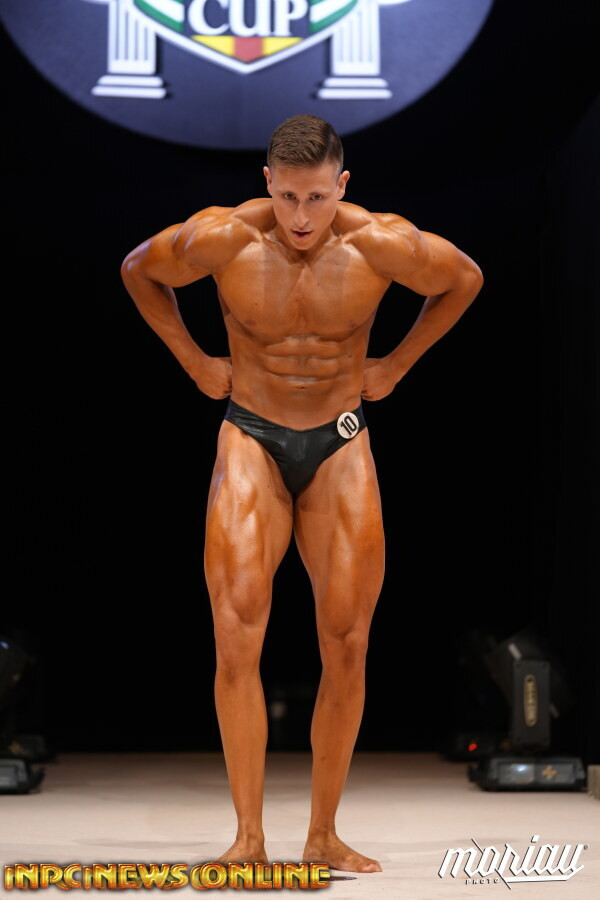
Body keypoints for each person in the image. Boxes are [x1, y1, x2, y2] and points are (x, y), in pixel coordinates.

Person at [120, 114, 484, 874]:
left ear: (342, 185)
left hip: (341, 442)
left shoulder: (380, 242)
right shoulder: (225, 237)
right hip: (250, 435)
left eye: (317, 197)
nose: (301, 216)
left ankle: (323, 835)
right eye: (287, 196)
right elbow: (138, 270)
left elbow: (464, 280)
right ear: (267, 183)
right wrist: (194, 361)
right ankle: (248, 840)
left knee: (347, 644)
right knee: (235, 638)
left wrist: (396, 365)